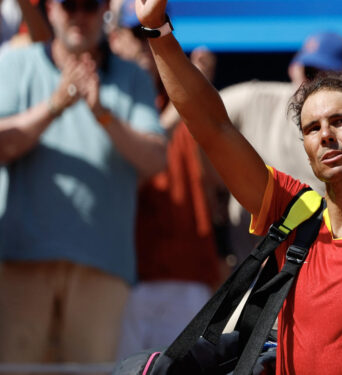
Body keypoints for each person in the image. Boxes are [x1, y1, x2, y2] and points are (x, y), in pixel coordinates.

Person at [134, 1, 342, 373]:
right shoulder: (292, 214)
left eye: (340, 121)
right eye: (312, 128)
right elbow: (213, 127)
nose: (325, 134)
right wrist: (158, 32)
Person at [0, 0, 166, 368]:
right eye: (68, 4)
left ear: (105, 9)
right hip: (18, 264)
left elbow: (155, 160)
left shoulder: (133, 76)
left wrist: (102, 113)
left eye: (89, 5)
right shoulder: (12, 64)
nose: (79, 14)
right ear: (49, 9)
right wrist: (55, 105)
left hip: (103, 268)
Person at [109, 0, 223, 359]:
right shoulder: (106, 98)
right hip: (125, 279)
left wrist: (200, 101)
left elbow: (213, 184)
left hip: (188, 275)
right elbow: (126, 181)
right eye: (134, 34)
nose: (144, 44)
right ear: (113, 39)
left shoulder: (180, 97)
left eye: (149, 33)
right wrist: (186, 100)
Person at [219, 30, 342, 258]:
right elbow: (197, 121)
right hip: (253, 265)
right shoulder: (257, 99)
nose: (315, 83)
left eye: (327, 76)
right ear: (294, 69)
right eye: (310, 72)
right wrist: (213, 187)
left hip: (324, 258)